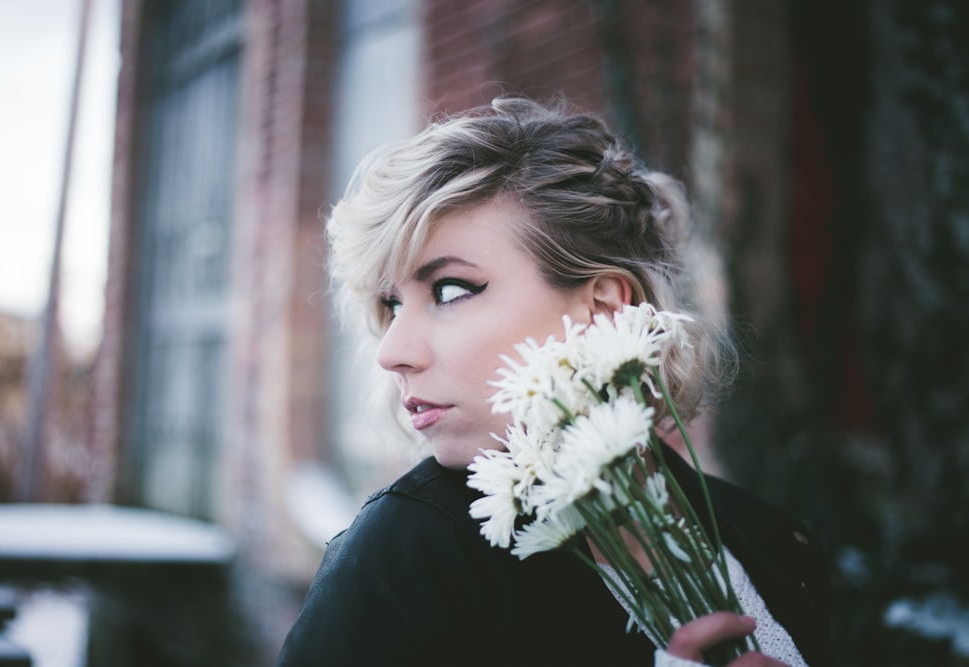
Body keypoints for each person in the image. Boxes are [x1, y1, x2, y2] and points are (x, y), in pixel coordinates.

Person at [276, 96, 834, 666]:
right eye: (391, 305)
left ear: (605, 307)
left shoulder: (776, 544)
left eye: (449, 290)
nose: (392, 352)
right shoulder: (406, 556)